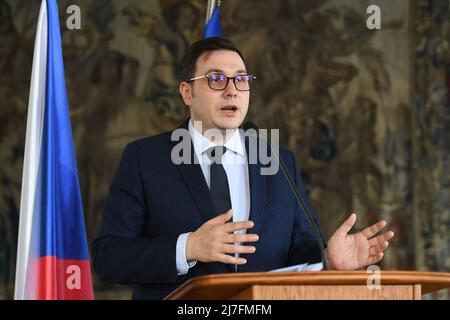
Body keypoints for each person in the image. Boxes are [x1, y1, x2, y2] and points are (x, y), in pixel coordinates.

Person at [92, 37, 395, 300]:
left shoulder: (277, 160)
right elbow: (109, 257)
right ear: (187, 93)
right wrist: (187, 248)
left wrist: (327, 260)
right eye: (215, 79)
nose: (231, 91)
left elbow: (299, 245)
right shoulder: (145, 158)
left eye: (240, 79)